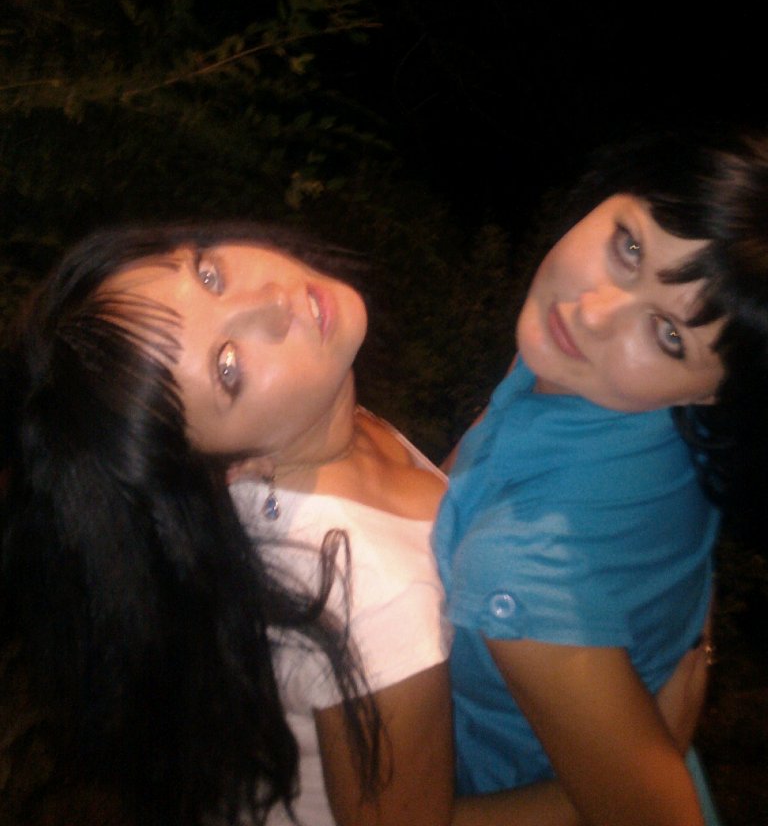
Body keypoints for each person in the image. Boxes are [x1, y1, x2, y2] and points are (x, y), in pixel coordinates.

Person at [0, 217, 709, 826]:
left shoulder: (318, 420)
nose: (268, 301)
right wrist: (641, 759)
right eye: (228, 367)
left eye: (208, 273)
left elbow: (449, 500)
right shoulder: (373, 601)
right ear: (230, 472)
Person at [433, 126, 768, 826]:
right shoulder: (617, 395)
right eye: (630, 247)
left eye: (668, 334)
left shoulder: (524, 571)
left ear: (716, 393)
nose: (591, 312)